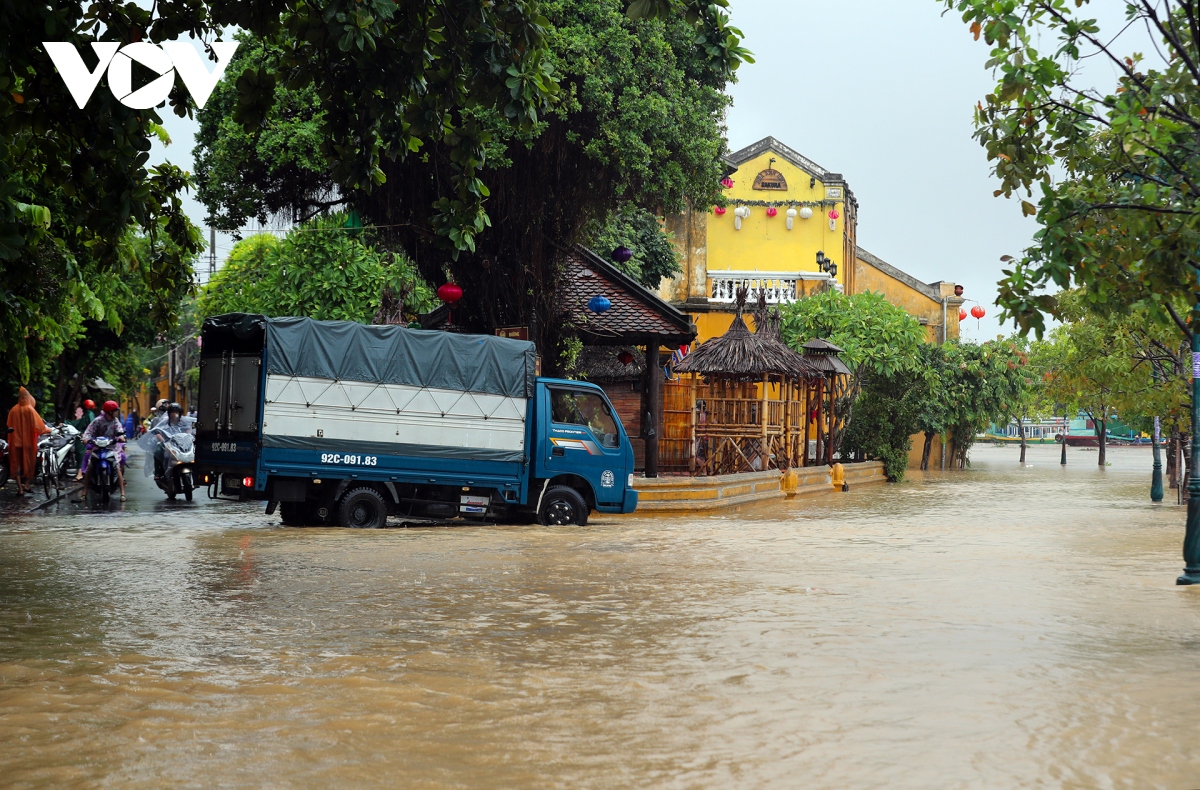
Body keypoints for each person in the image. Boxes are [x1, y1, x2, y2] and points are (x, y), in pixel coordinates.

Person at [77, 400, 127, 501]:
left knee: (117, 467)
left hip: (112, 447)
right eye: (115, 411)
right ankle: (84, 493)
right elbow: (89, 431)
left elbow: (120, 431)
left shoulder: (115, 421)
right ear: (109, 412)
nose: (116, 413)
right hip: (98, 446)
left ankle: (122, 493)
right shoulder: (98, 420)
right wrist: (86, 438)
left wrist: (121, 437)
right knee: (89, 467)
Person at [6, 387, 50, 496]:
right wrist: (48, 430)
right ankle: (27, 484)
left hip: (15, 443)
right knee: (29, 463)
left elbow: (9, 425)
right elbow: (39, 427)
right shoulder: (30, 409)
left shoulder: (13, 410)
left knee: (17, 465)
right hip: (29, 443)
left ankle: (20, 489)